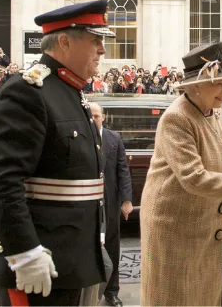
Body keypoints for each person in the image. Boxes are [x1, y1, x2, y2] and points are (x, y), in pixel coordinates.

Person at [0, 0, 115, 306]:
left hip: (68, 260)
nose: (102, 50)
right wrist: (24, 252)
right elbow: (3, 179)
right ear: (65, 41)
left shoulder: (69, 90)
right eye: (96, 41)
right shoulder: (28, 91)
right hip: (37, 264)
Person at [138, 42, 222, 306]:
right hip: (174, 226)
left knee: (203, 295)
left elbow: (220, 161)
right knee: (175, 297)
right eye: (219, 83)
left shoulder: (212, 110)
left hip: (199, 221)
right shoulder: (176, 118)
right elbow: (194, 177)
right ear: (197, 84)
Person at [88, 103, 132, 307]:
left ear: (103, 117)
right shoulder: (82, 137)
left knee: (112, 246)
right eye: (90, 115)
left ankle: (112, 292)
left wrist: (126, 200)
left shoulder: (114, 139)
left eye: (96, 116)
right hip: (87, 203)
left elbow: (123, 170)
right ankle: (90, 290)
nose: (93, 119)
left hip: (111, 202)